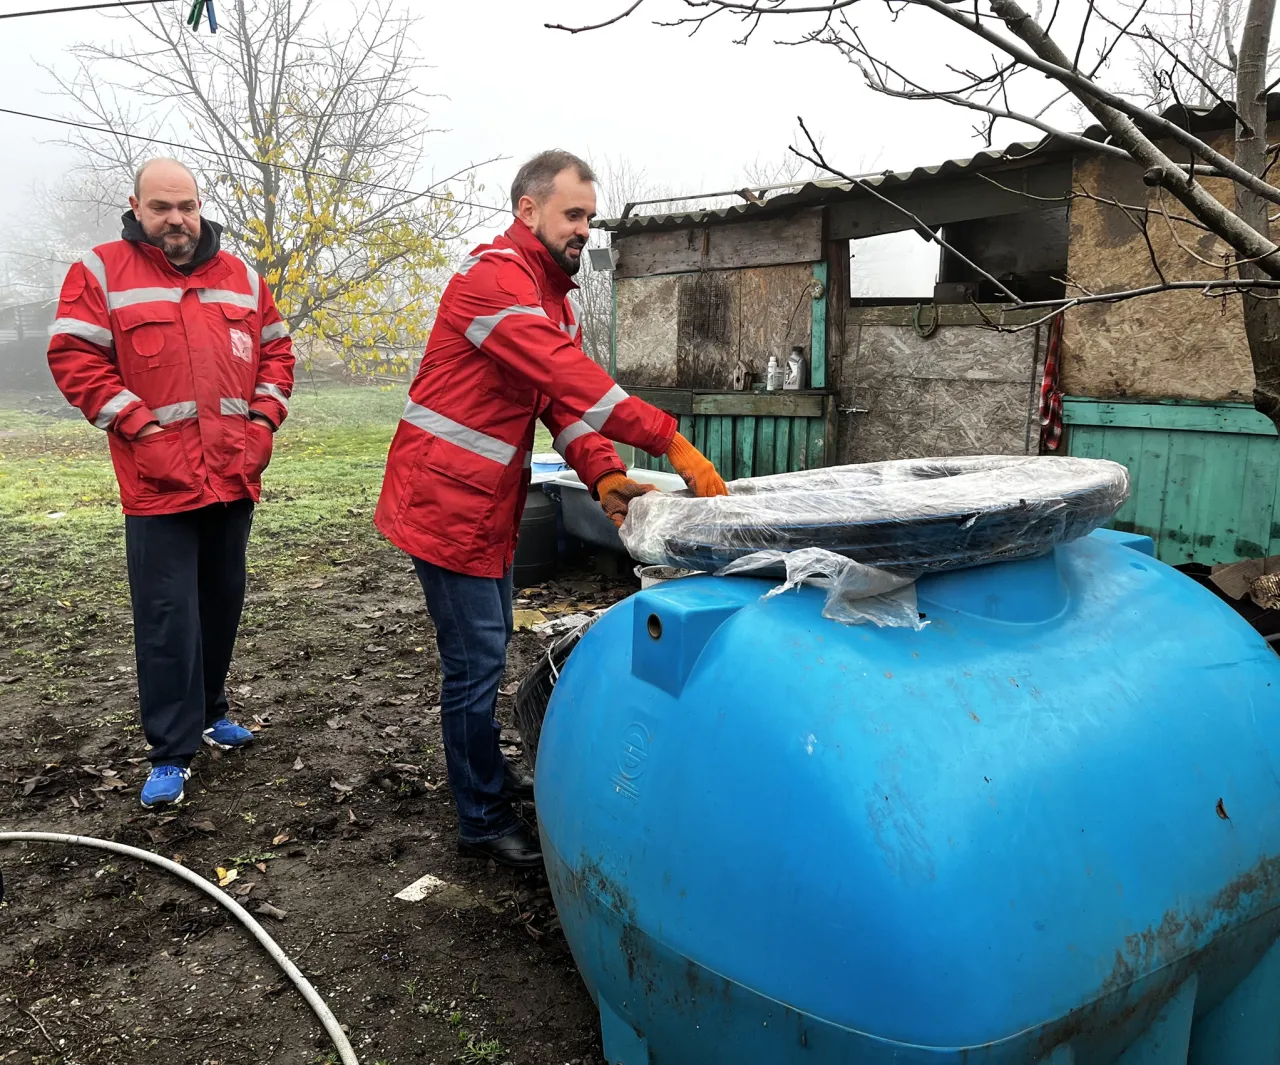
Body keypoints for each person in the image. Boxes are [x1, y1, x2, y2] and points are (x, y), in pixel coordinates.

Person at [375, 149, 728, 868]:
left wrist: (605, 474)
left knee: (487, 646)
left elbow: (562, 406)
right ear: (527, 210)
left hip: (485, 506)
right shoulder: (491, 279)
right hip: (442, 503)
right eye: (572, 215)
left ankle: (485, 776)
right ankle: (481, 819)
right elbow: (569, 376)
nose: (583, 231)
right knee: (474, 661)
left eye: (590, 219)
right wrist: (668, 440)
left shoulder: (553, 302)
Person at [45, 158, 295, 809]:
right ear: (137, 207)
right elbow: (74, 357)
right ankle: (171, 751)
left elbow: (277, 352)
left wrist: (263, 423)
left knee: (221, 603)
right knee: (167, 618)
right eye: (161, 207)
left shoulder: (242, 277)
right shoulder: (101, 272)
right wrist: (141, 429)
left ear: (200, 205)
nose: (176, 219)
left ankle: (211, 712)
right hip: (158, 483)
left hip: (233, 474)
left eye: (186, 206)